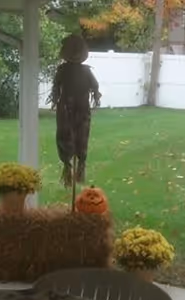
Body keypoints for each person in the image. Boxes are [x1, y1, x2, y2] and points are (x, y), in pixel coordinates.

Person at [48, 34, 102, 187]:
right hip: (76, 107)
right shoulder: (82, 71)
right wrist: (95, 96)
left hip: (69, 107)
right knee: (74, 135)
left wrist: (54, 100)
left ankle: (73, 166)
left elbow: (56, 87)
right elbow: (95, 86)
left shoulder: (63, 70)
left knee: (71, 135)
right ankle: (73, 166)